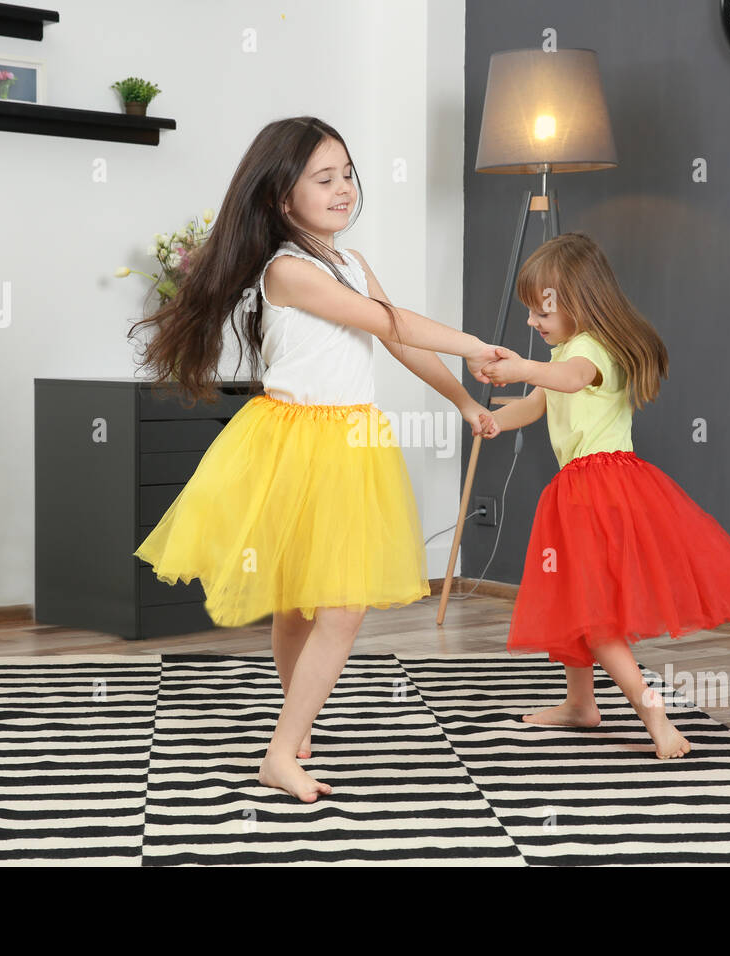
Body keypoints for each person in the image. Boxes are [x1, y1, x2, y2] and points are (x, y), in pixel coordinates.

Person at [129, 116, 501, 801]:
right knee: (336, 607)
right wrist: (475, 344)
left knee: (304, 605)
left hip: (350, 443)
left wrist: (463, 401)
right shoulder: (289, 271)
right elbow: (389, 322)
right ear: (281, 198)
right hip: (296, 441)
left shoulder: (350, 263)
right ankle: (281, 749)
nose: (342, 189)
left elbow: (397, 340)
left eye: (348, 175)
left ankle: (294, 730)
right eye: (323, 179)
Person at [477, 233, 730, 758]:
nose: (531, 322)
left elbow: (569, 381)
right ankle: (580, 704)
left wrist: (521, 367)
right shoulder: (567, 349)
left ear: (579, 302)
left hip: (598, 491)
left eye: (540, 311)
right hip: (581, 490)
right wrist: (490, 420)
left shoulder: (590, 351)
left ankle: (655, 716)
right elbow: (535, 404)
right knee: (578, 601)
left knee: (598, 619)